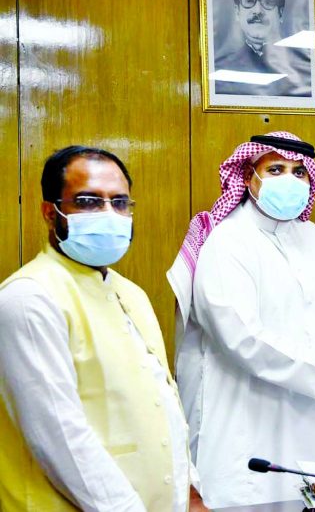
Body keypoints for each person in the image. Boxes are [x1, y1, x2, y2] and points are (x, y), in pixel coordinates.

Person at [168, 131, 315, 508]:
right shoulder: (227, 242)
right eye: (275, 169)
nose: (289, 180)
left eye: (299, 172)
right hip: (249, 424)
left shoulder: (314, 237)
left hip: (312, 420)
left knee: (307, 497)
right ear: (247, 177)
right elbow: (242, 338)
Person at [0, 146, 203, 511]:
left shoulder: (130, 293)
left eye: (120, 203)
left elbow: (163, 402)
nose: (109, 214)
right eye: (89, 202)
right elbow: (60, 438)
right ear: (51, 213)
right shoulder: (30, 298)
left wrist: (190, 491)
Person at [214, 0, 312, 97]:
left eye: (267, 2)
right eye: (249, 1)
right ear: (237, 12)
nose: (258, 10)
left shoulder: (306, 70)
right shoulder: (220, 71)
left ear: (280, 14)